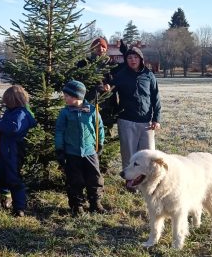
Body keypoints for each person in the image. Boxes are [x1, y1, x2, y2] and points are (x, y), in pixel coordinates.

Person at [55, 80, 106, 215]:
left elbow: (99, 127)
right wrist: (59, 149)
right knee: (74, 180)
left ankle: (95, 202)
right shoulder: (65, 113)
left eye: (67, 96)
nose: (64, 98)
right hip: (72, 152)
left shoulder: (92, 111)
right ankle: (77, 205)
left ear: (77, 96)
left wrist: (100, 143)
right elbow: (59, 131)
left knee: (95, 178)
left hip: (90, 151)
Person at [0, 85, 37, 217]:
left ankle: (19, 207)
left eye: (7, 100)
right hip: (2, 150)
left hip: (13, 151)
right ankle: (5, 198)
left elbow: (13, 128)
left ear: (14, 100)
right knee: (1, 175)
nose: (5, 103)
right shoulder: (10, 111)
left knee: (13, 177)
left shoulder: (21, 113)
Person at [108, 45, 161, 171]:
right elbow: (110, 91)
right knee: (129, 155)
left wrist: (156, 119)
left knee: (149, 155)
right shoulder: (121, 75)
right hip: (126, 121)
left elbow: (156, 97)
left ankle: (146, 181)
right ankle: (130, 183)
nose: (133, 60)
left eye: (135, 57)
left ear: (141, 59)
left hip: (146, 122)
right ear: (126, 60)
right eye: (130, 58)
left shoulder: (149, 75)